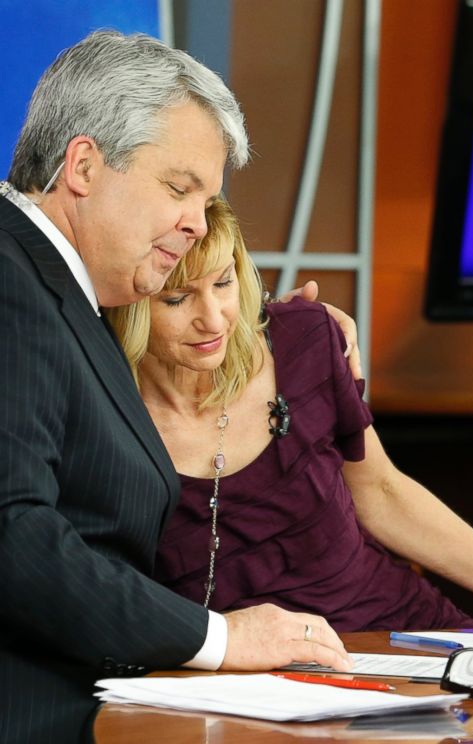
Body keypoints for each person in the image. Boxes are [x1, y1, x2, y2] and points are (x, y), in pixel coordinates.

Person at [0, 31, 356, 741]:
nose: (198, 223)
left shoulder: (64, 292)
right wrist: (220, 639)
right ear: (82, 166)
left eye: (208, 198)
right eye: (179, 188)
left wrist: (300, 325)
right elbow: (14, 530)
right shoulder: (12, 282)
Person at [106, 197, 473, 634]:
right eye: (177, 298)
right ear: (129, 299)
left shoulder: (305, 338)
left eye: (224, 284)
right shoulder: (97, 408)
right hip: (243, 683)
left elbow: (382, 492)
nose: (213, 318)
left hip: (393, 629)